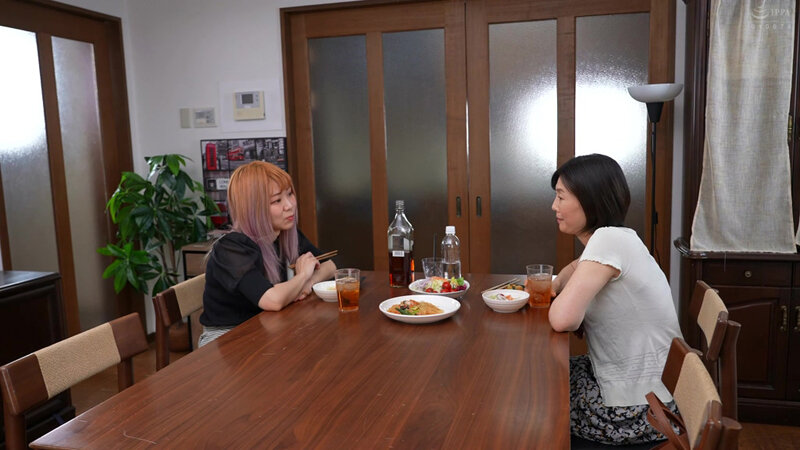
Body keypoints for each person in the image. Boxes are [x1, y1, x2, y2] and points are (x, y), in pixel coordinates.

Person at [548, 154, 682, 445]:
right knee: (544, 377)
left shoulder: (608, 240)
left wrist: (555, 292)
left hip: (642, 408)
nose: (554, 206)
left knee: (538, 401)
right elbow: (572, 269)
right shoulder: (617, 239)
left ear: (590, 200)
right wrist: (555, 284)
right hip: (650, 390)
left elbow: (562, 319)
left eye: (561, 197)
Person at [199, 161, 336, 346]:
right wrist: (303, 275)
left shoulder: (284, 233)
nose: (289, 205)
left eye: (290, 194)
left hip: (267, 326)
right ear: (253, 207)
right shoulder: (231, 248)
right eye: (277, 201)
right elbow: (272, 300)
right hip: (227, 338)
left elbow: (329, 265)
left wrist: (307, 284)